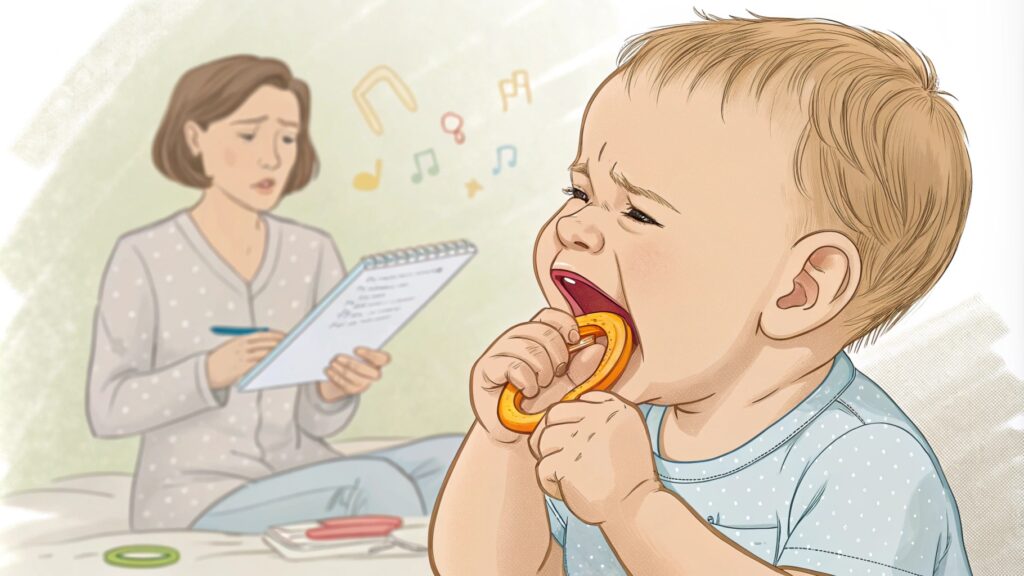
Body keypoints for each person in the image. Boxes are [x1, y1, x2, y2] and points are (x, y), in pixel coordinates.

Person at [431, 13, 973, 575]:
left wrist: (634, 506)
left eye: (638, 211)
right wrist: (504, 441)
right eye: (581, 191)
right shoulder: (613, 425)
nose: (574, 226)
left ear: (800, 289)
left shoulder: (867, 460)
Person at [86, 55, 460, 534]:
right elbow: (108, 409)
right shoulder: (144, 256)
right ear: (195, 137)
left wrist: (332, 390)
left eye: (287, 137)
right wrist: (209, 372)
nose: (273, 157)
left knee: (458, 457)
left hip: (299, 470)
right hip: (196, 496)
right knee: (375, 486)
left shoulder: (313, 251)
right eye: (248, 135)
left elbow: (317, 423)